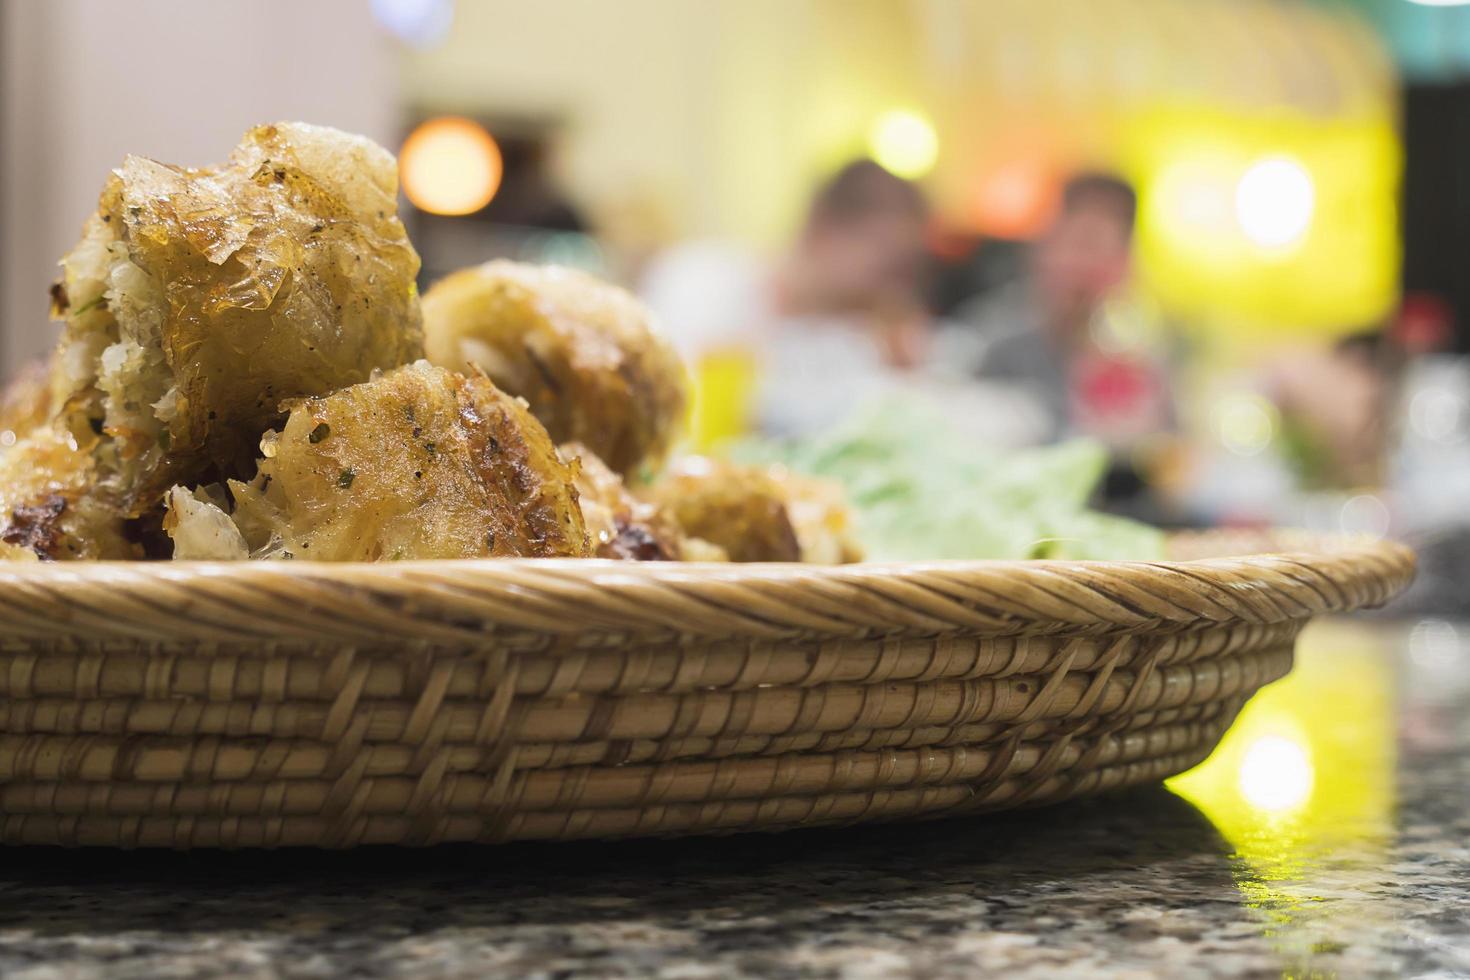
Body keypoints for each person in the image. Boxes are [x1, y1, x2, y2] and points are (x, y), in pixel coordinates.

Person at [640, 160, 933, 441]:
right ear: (824, 230)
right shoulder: (702, 282)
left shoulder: (849, 340)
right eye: (886, 263)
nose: (891, 289)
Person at [940, 172, 1172, 449]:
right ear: (1042, 252)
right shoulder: (989, 340)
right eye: (1077, 245)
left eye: (1104, 249)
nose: (1084, 267)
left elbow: (1168, 444)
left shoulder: (1141, 349)